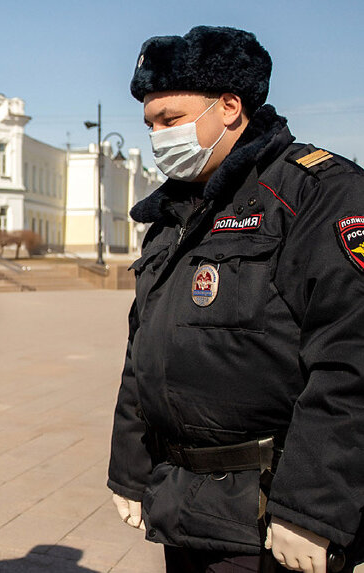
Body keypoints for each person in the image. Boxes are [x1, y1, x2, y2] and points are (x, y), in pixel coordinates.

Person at [108, 26, 364, 573]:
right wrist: (129, 467)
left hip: (274, 514)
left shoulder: (315, 195)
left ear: (229, 107)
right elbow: (144, 352)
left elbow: (351, 362)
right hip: (187, 505)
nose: (157, 138)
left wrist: (311, 511)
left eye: (171, 120)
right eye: (149, 125)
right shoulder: (173, 216)